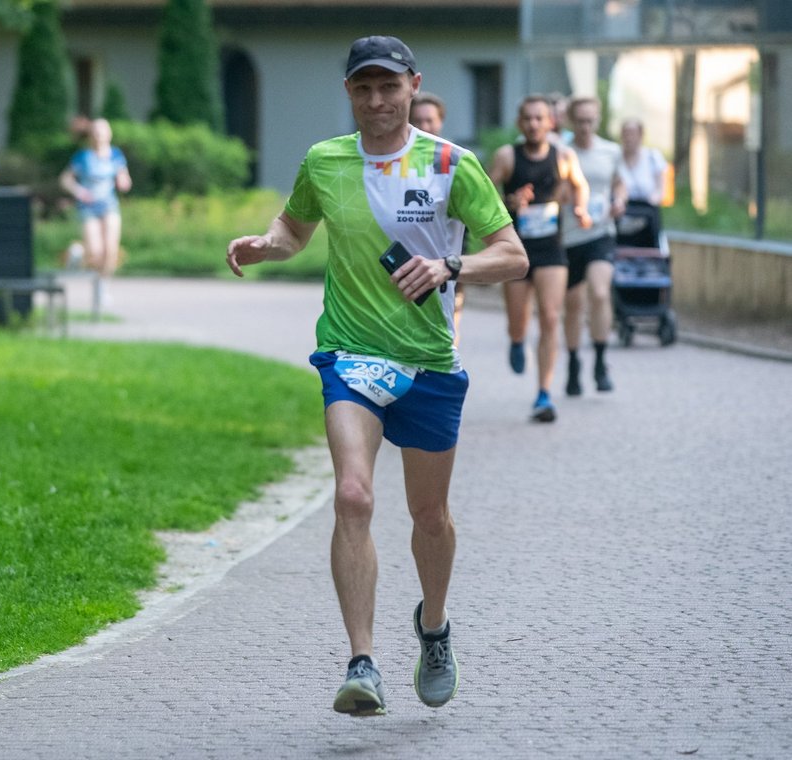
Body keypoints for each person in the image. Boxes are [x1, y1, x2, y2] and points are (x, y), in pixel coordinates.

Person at [227, 36, 527, 716]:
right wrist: (265, 246)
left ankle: (434, 625)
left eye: (389, 87)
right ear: (349, 94)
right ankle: (362, 662)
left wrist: (452, 267)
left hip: (428, 363)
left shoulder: (453, 164)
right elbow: (294, 231)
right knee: (354, 496)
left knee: (430, 516)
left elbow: (512, 256)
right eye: (363, 88)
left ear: (413, 87)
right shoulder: (325, 161)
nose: (377, 101)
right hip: (351, 354)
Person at [488, 94, 590, 422]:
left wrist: (580, 207)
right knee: (519, 321)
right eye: (528, 118)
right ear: (520, 123)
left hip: (551, 248)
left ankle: (544, 394)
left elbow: (580, 185)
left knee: (549, 316)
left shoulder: (563, 156)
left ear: (550, 123)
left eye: (539, 118)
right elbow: (483, 199)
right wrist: (509, 203)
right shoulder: (507, 156)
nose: (533, 124)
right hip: (515, 249)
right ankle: (516, 340)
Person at [562, 96, 627, 396]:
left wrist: (620, 200)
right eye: (580, 121)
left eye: (590, 120)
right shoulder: (562, 152)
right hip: (567, 236)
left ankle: (601, 362)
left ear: (597, 120)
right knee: (574, 305)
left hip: (601, 232)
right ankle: (574, 363)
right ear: (572, 121)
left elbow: (619, 182)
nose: (586, 127)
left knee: (600, 293)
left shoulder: (610, 150)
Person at [409, 91, 466, 342]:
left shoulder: (455, 159)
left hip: (450, 248)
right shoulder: (399, 160)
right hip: (413, 249)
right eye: (418, 121)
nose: (424, 126)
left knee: (451, 306)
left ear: (440, 121)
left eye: (429, 120)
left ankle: (449, 347)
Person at [59, 118, 132, 307]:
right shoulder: (83, 157)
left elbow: (124, 177)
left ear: (109, 134)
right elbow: (65, 179)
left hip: (109, 206)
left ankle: (103, 287)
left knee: (111, 250)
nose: (100, 135)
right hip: (88, 208)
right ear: (92, 135)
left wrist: (124, 182)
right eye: (97, 132)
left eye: (103, 131)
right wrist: (80, 192)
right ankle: (79, 251)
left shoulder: (116, 155)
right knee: (96, 252)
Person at [617, 117, 668, 248]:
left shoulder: (653, 157)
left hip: (647, 216)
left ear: (641, 135)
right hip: (621, 216)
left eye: (633, 133)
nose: (629, 138)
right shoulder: (615, 157)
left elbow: (661, 188)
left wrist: (653, 199)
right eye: (626, 133)